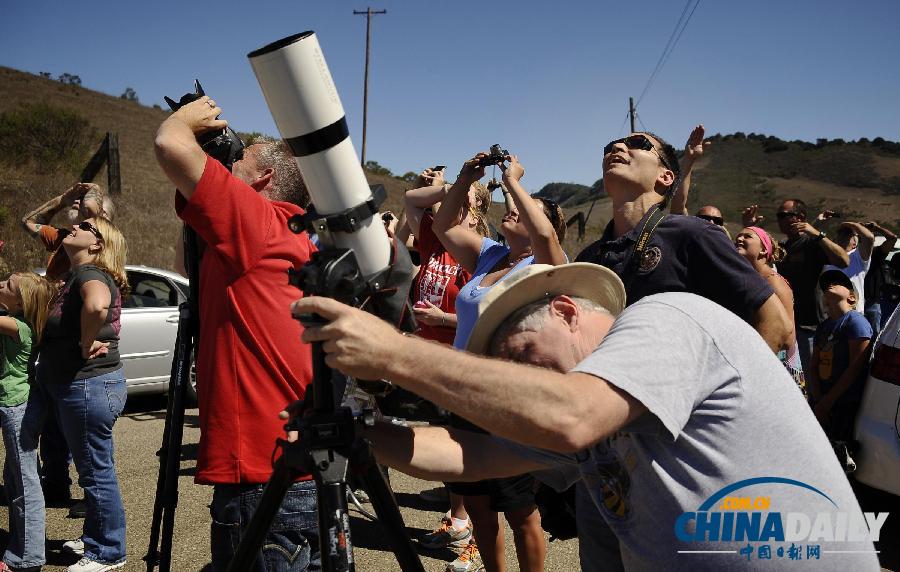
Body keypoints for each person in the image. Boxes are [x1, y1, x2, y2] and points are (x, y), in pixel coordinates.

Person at [289, 262, 880, 571]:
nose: (528, 381)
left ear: (567, 310)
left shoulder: (668, 318)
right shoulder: (598, 401)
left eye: (523, 356)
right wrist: (360, 437)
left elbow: (570, 416)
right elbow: (471, 454)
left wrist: (395, 355)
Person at [154, 96, 319, 571]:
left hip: (260, 478)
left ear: (263, 179)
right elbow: (189, 264)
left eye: (238, 159)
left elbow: (170, 142)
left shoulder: (257, 224)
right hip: (289, 470)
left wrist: (188, 119)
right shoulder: (287, 234)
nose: (225, 163)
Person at [431, 151, 567, 572]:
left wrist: (513, 182)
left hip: (509, 398)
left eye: (519, 207)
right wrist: (464, 177)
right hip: (464, 392)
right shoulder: (490, 255)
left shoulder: (543, 264)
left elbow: (546, 236)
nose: (510, 209)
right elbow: (442, 226)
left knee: (520, 508)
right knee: (478, 504)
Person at [577, 131, 791, 354]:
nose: (617, 147)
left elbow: (776, 324)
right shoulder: (588, 259)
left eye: (637, 143)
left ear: (666, 177)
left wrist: (729, 385)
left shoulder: (694, 235)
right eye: (610, 147)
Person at [403, 166, 491, 557]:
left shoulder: (482, 251)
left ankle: (472, 535)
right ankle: (457, 521)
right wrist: (446, 187)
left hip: (462, 360)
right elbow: (409, 200)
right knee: (445, 438)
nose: (457, 198)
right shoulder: (435, 243)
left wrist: (443, 320)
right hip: (431, 357)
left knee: (463, 447)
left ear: (477, 214)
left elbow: (486, 312)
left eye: (467, 196)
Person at [33, 217, 129, 572]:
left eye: (87, 226)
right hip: (79, 386)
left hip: (87, 386)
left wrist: (85, 343)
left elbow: (97, 306)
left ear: (97, 244)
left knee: (95, 472)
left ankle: (108, 551)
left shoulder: (90, 275)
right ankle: (97, 537)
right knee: (94, 468)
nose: (75, 225)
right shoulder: (73, 273)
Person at [21, 182, 114, 514]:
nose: (77, 220)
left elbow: (98, 305)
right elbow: (28, 222)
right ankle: (56, 485)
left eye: (85, 215)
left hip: (78, 348)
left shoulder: (101, 247)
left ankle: (94, 503)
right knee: (53, 426)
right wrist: (61, 199)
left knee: (84, 434)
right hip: (54, 345)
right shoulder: (63, 239)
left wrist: (93, 193)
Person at [744, 200, 849, 371]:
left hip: (809, 327)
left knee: (808, 376)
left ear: (799, 217)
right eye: (778, 216)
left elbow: (844, 260)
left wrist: (817, 233)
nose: (779, 219)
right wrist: (749, 229)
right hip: (785, 323)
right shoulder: (783, 247)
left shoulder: (813, 243)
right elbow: (754, 258)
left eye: (783, 215)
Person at [0, 272, 56, 572]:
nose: (0, 285)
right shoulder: (16, 320)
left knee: (25, 481)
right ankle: (20, 547)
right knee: (15, 477)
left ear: (22, 303)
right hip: (15, 405)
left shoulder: (17, 326)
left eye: (7, 286)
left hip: (17, 407)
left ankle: (29, 557)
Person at [734, 226, 806, 393]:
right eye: (738, 236)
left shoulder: (774, 282)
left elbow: (788, 336)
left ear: (763, 249)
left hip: (776, 367)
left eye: (747, 236)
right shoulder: (748, 280)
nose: (739, 239)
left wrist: (759, 368)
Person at [809, 270, 873, 445]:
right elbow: (814, 366)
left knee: (839, 450)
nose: (830, 284)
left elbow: (855, 368)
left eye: (838, 282)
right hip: (822, 401)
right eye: (826, 285)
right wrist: (818, 398)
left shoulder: (856, 322)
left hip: (844, 403)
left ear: (851, 297)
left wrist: (827, 403)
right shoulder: (823, 327)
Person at [819, 222, 875, 317]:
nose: (843, 235)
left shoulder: (858, 257)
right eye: (840, 232)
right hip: (830, 317)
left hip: (853, 315)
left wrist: (851, 224)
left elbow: (869, 237)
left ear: (855, 244)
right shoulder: (827, 257)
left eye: (849, 234)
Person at [862, 221, 899, 332]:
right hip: (852, 304)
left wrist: (877, 228)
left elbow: (892, 238)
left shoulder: (876, 253)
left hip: (871, 302)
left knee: (874, 338)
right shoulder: (850, 255)